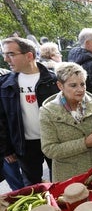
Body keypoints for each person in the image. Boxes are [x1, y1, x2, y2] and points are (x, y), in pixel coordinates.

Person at [0, 37, 59, 185]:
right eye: (4, 54)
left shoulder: (53, 80)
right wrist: (6, 149)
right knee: (33, 186)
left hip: (53, 141)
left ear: (29, 56)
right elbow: (2, 119)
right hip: (24, 146)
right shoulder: (4, 84)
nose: (6, 59)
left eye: (11, 54)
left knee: (60, 181)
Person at [39, 62, 92, 182]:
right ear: (60, 86)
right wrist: (85, 143)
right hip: (68, 175)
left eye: (83, 84)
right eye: (73, 85)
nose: (80, 89)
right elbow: (49, 149)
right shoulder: (47, 112)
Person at [0, 67, 24, 191]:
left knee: (21, 181)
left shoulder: (5, 77)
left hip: (10, 143)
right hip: (6, 148)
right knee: (18, 185)